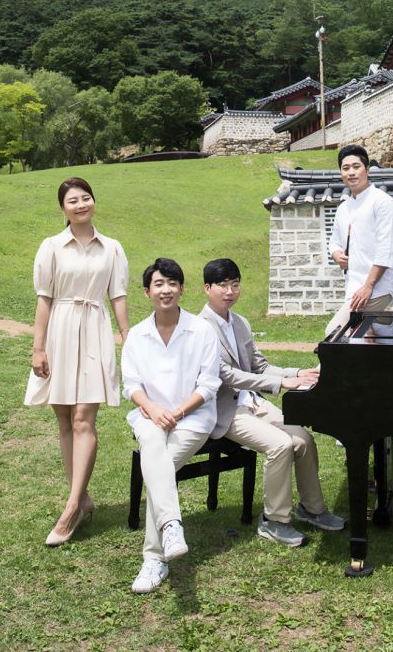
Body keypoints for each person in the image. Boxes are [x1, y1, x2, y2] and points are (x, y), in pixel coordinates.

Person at [200, 257, 344, 547]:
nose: (229, 291)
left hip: (252, 401)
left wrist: (297, 373)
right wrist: (280, 383)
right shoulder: (200, 328)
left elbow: (260, 366)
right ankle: (274, 521)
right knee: (280, 445)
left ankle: (312, 509)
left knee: (303, 439)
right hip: (225, 410)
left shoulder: (240, 323)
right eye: (222, 285)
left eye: (235, 285)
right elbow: (227, 376)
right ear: (207, 288)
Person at [25, 177, 130, 546]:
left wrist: (127, 337)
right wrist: (39, 348)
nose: (81, 204)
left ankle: (70, 509)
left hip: (95, 329)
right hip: (60, 331)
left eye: (86, 197)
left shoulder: (113, 248)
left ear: (94, 202)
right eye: (73, 200)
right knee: (65, 419)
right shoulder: (51, 247)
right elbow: (44, 299)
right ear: (63, 208)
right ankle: (82, 499)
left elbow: (117, 296)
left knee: (84, 418)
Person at [122, 258, 220, 594]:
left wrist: (177, 412)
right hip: (149, 416)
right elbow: (131, 384)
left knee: (157, 468)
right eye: (159, 284)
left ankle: (153, 558)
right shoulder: (137, 334)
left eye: (172, 283)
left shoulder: (202, 330)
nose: (166, 290)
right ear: (148, 291)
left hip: (193, 417)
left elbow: (208, 384)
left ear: (181, 289)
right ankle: (171, 526)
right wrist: (151, 408)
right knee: (153, 446)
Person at [326, 144, 393, 337]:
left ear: (366, 169)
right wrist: (337, 255)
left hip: (377, 287)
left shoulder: (383, 202)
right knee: (377, 339)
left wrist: (368, 286)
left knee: (336, 333)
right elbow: (334, 242)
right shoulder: (343, 208)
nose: (351, 172)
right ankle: (385, 334)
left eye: (356, 166)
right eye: (346, 168)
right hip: (353, 285)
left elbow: (386, 250)